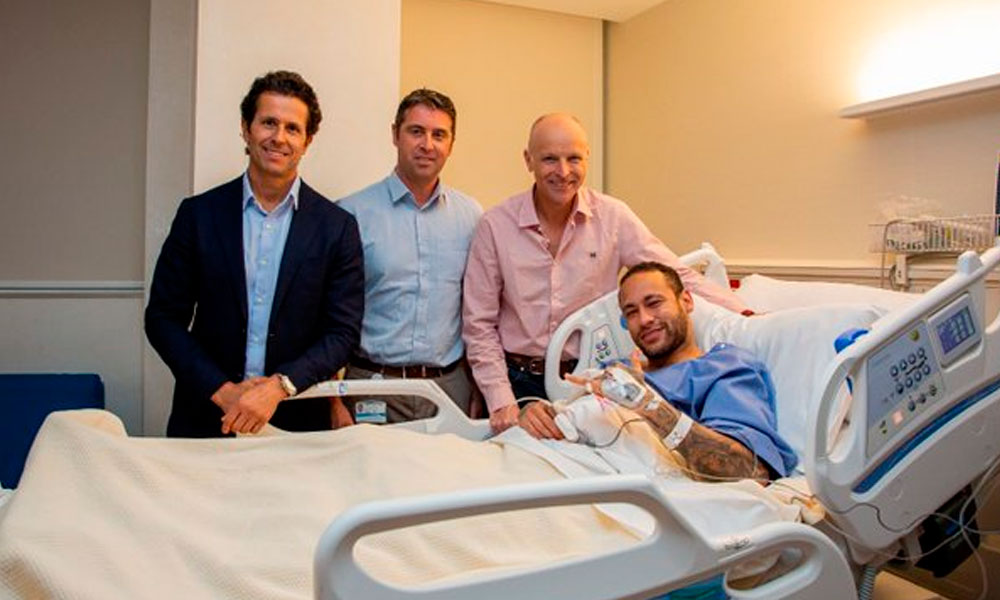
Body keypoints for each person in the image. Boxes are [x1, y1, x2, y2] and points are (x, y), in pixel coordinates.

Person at [462, 113, 752, 435]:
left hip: (591, 381)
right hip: (517, 382)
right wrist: (501, 401)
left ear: (587, 157)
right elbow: (479, 324)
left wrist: (746, 315)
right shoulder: (495, 226)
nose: (563, 172)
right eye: (549, 159)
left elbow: (675, 274)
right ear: (528, 160)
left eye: (574, 158)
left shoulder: (613, 217)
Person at [145, 70, 364, 437]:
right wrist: (223, 392)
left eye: (292, 128)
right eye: (268, 123)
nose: (279, 137)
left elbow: (342, 333)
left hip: (297, 422)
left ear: (307, 141)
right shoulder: (198, 216)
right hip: (207, 417)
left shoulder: (337, 227)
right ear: (246, 129)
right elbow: (163, 319)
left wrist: (280, 386)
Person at [519, 262, 798, 480]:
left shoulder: (722, 368)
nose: (644, 319)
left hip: (600, 484)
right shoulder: (617, 371)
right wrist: (535, 414)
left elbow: (749, 470)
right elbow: (573, 418)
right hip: (544, 460)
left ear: (686, 301)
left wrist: (648, 405)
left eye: (654, 303)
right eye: (631, 312)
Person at [337, 89, 482, 423]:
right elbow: (327, 314)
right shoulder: (351, 214)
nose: (427, 144)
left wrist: (477, 384)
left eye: (439, 135)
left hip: (450, 390)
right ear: (395, 134)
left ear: (451, 144)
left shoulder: (471, 217)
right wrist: (333, 401)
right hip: (373, 388)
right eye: (416, 131)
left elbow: (478, 309)